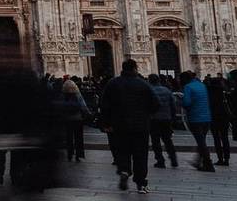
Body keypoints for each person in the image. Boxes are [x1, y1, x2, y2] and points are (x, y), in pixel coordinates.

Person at [101, 59, 158, 193]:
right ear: (135, 69)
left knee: (122, 151)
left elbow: (104, 105)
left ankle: (124, 170)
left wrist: (107, 123)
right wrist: (146, 114)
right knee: (140, 154)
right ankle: (141, 183)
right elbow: (155, 104)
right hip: (140, 126)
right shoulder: (143, 84)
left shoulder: (112, 83)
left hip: (119, 126)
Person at [180, 71, 215, 172]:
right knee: (202, 141)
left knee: (201, 142)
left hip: (195, 118)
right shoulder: (202, 85)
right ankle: (199, 161)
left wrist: (180, 100)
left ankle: (208, 163)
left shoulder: (188, 87)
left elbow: (187, 103)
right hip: (206, 118)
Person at [147, 74, 177, 168]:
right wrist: (172, 116)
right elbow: (173, 104)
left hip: (154, 119)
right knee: (168, 140)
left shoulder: (149, 91)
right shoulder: (167, 90)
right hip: (166, 118)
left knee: (156, 141)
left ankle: (160, 160)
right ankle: (173, 159)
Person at [59, 79, 90, 162]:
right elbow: (83, 105)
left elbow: (61, 107)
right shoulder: (77, 94)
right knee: (79, 137)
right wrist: (88, 113)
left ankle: (70, 154)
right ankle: (78, 155)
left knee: (69, 138)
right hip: (78, 119)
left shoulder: (63, 95)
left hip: (67, 119)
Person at [206, 74, 232, 166]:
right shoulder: (224, 92)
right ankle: (227, 158)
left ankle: (220, 158)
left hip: (214, 117)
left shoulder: (209, 93)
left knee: (216, 138)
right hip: (224, 117)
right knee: (225, 138)